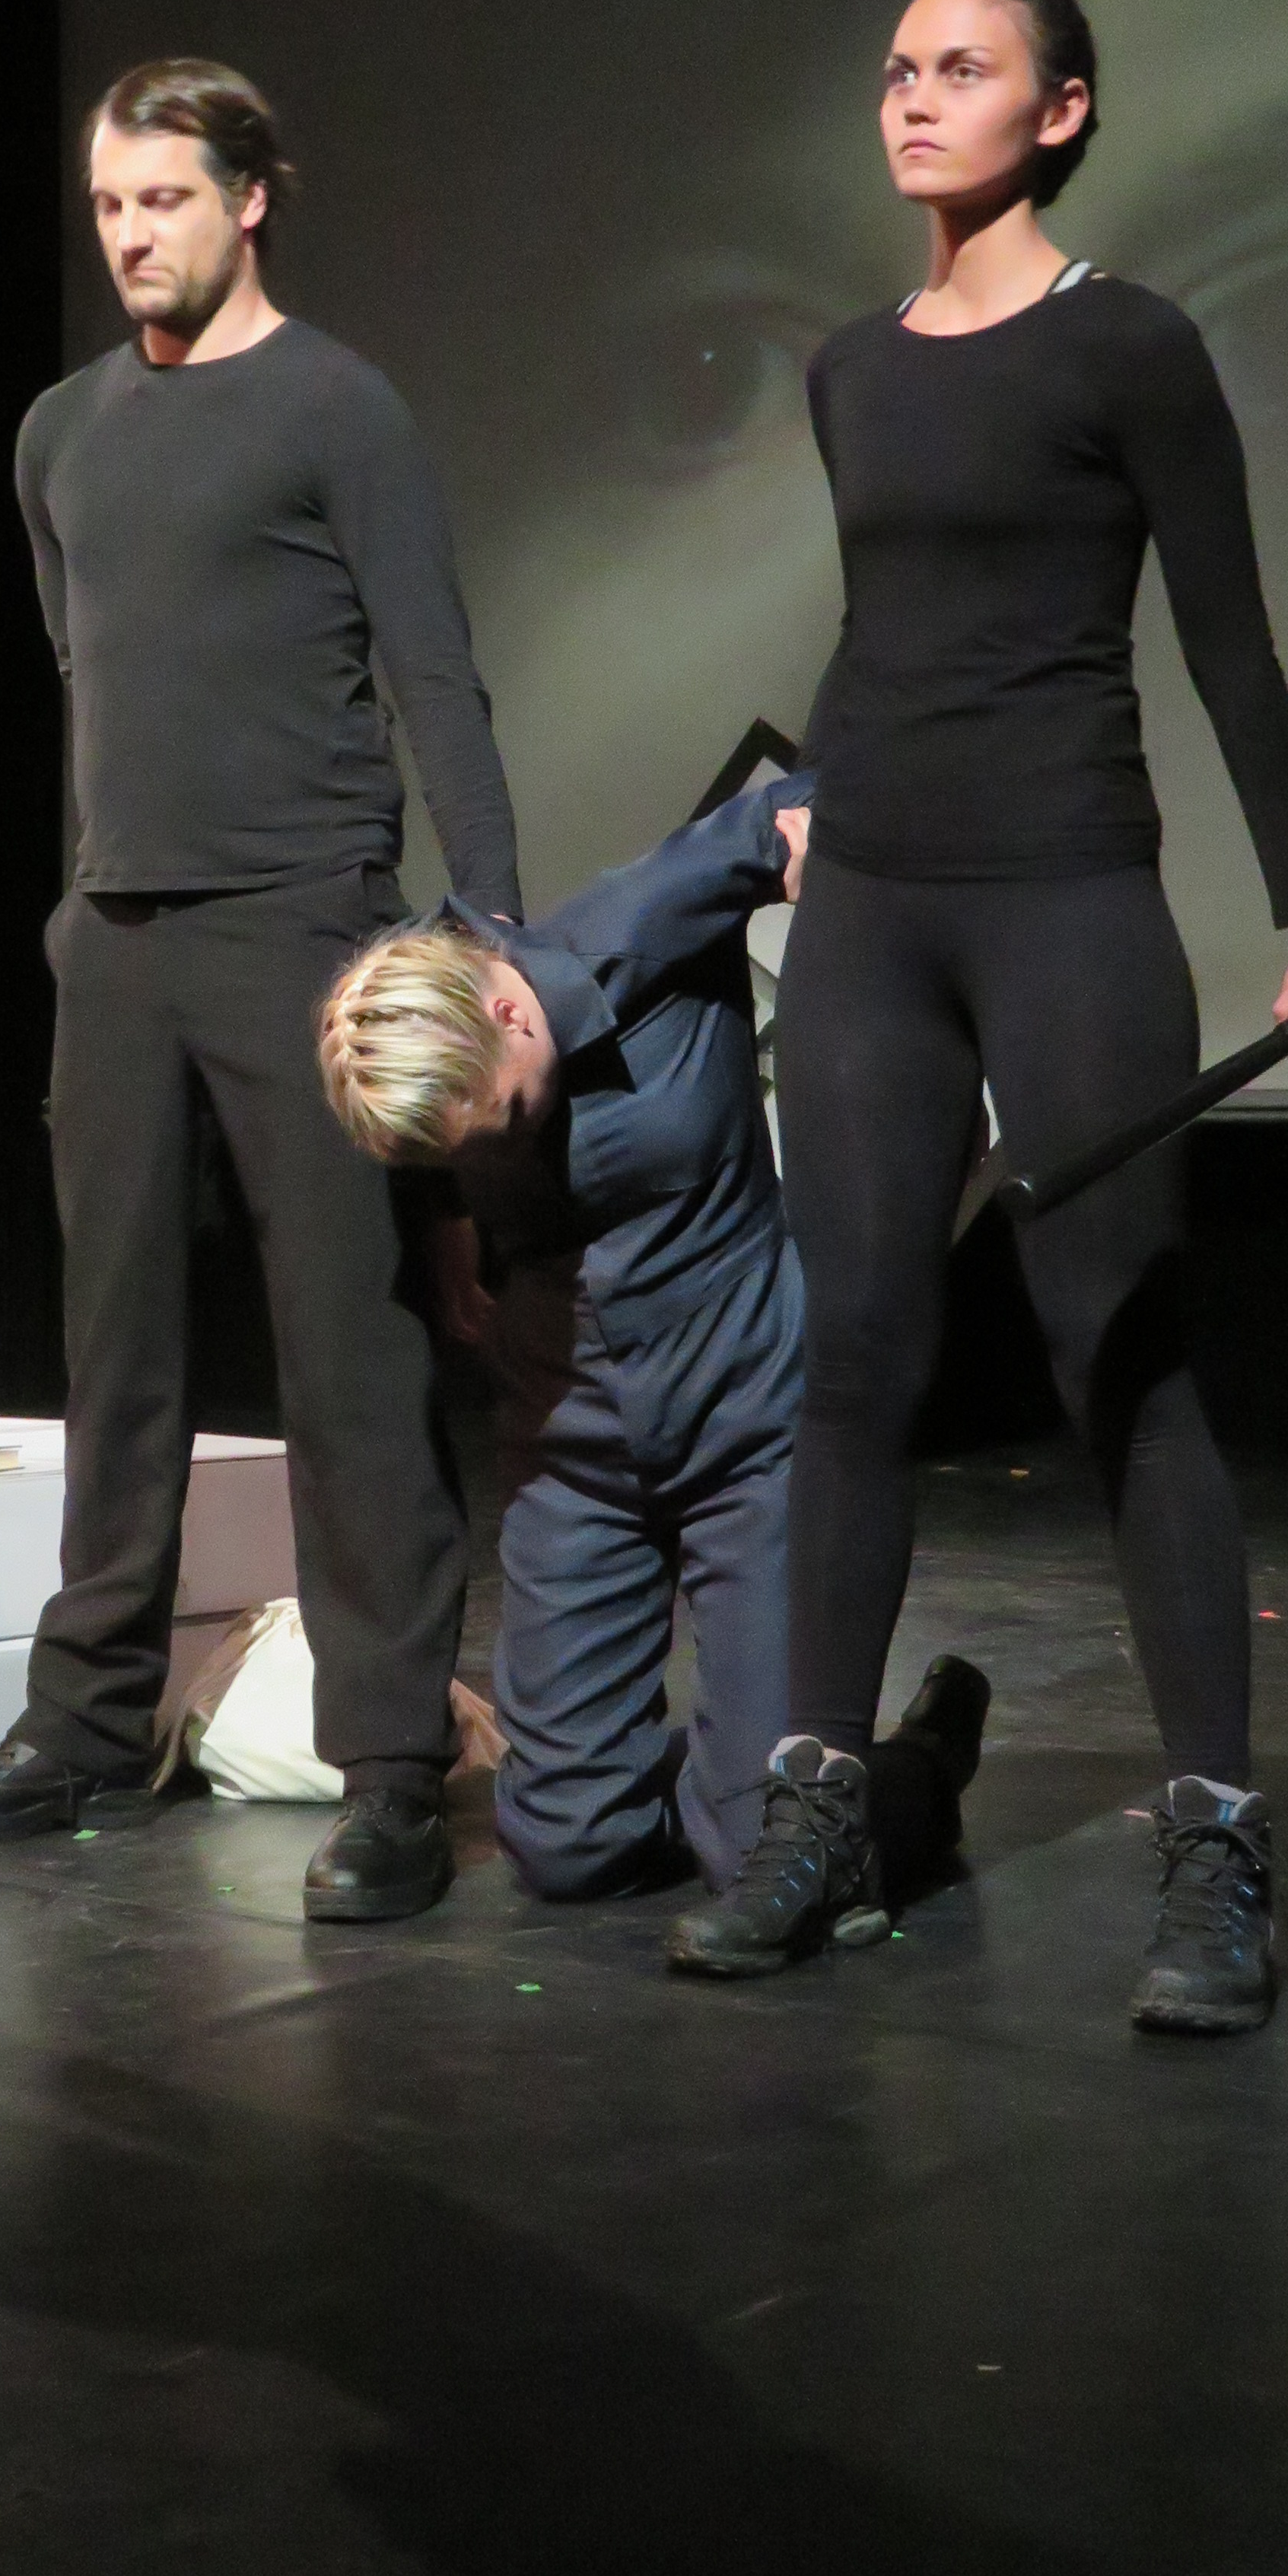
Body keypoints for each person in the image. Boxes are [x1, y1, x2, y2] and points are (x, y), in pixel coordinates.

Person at [674, 0, 1288, 2024]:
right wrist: (803, 801)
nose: (914, 98)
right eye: (898, 68)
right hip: (875, 914)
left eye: (962, 69)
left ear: (1059, 111)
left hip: (1066, 896)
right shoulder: (850, 370)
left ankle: (1218, 1844)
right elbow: (889, 625)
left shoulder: (1129, 346)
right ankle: (819, 1810)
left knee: (1120, 1360)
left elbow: (1232, 649)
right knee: (853, 1360)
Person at [0, 60, 520, 1922]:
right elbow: (84, 664)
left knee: (354, 1359)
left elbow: (435, 677)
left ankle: (391, 1765)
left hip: (304, 928)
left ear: (250, 198)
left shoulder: (338, 407)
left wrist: (487, 940)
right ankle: (87, 1724)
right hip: (119, 939)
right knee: (116, 1356)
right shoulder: (58, 432)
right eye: (108, 204)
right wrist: (89, 911)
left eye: (161, 198)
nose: (129, 234)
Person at [318, 776, 990, 1921]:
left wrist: (907, 992)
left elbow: (818, 796)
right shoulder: (420, 1042)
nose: (494, 1154)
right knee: (566, 1849)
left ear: (509, 1014)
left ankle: (912, 1762)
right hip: (573, 1447)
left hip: (750, 1426)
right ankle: (727, 1780)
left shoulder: (639, 924)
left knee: (763, 1856)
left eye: (505, 1121)